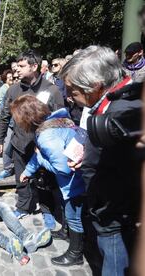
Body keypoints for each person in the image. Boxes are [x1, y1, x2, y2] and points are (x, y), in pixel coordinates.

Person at [60, 45, 142, 275]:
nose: (69, 97)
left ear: (95, 86)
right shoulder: (116, 106)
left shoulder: (122, 114)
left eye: (73, 91)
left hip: (115, 220)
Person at [11, 95, 85, 266]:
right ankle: (66, 232)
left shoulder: (47, 136)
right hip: (73, 180)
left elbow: (64, 169)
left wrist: (40, 157)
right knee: (67, 210)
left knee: (74, 216)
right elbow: (41, 156)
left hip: (75, 183)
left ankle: (75, 254)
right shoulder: (54, 122)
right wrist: (28, 171)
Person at [0, 50, 64, 228]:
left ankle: (48, 210)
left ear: (34, 66)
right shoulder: (13, 89)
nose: (17, 69)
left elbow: (61, 120)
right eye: (17, 65)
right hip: (19, 144)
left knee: (46, 182)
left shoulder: (51, 89)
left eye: (22, 65)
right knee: (21, 179)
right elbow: (4, 117)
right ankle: (24, 207)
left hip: (43, 147)